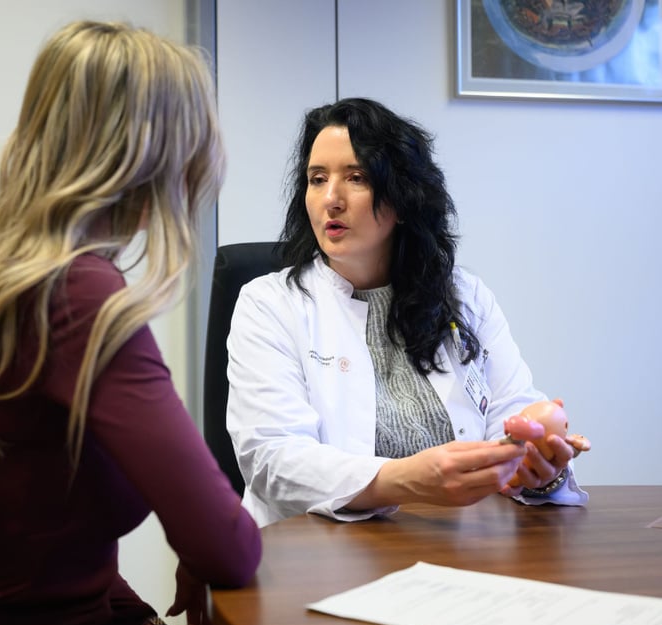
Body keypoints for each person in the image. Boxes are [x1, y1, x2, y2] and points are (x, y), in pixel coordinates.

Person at [0, 20, 261, 625]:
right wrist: (201, 543)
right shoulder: (77, 297)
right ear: (146, 158)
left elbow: (43, 539)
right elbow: (229, 546)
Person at [225, 97, 588, 527]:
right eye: (317, 179)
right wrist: (400, 480)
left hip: (458, 552)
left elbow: (515, 415)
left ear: (401, 198)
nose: (331, 199)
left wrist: (538, 469)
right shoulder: (268, 303)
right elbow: (272, 460)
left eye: (356, 178)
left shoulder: (465, 297)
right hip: (317, 555)